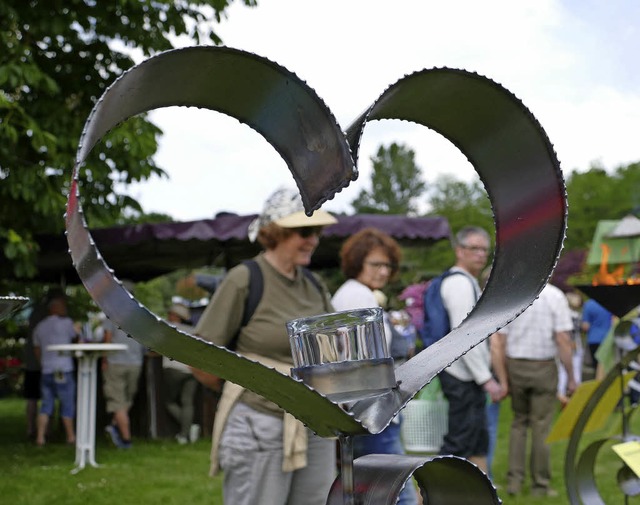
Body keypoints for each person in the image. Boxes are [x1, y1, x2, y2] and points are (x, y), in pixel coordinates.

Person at [194, 187, 338, 505]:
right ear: (275, 232)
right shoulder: (245, 279)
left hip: (315, 423)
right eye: (304, 231)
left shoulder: (314, 284)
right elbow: (201, 356)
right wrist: (251, 390)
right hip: (260, 424)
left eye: (316, 231)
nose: (313, 239)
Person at [331, 227, 418, 505]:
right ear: (357, 262)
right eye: (375, 264)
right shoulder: (358, 297)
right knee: (395, 490)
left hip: (366, 409)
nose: (383, 271)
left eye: (387, 265)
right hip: (371, 411)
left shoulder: (355, 293)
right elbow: (361, 359)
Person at [493, 282, 576, 497]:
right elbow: (563, 339)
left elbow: (499, 341)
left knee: (519, 423)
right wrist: (572, 377)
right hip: (544, 366)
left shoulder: (514, 293)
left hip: (516, 364)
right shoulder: (555, 296)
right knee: (541, 426)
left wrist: (503, 378)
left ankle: (514, 482)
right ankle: (540, 485)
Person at [436, 226, 503, 474]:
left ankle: (484, 494)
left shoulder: (466, 282)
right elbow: (464, 336)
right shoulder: (459, 284)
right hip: (461, 376)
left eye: (484, 249)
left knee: (476, 444)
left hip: (466, 376)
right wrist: (486, 379)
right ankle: (428, 496)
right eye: (474, 248)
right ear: (459, 251)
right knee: (457, 446)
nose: (481, 254)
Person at [102, 287, 146, 449]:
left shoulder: (111, 313)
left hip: (115, 362)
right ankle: (117, 429)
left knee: (119, 401)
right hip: (136, 362)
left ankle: (126, 440)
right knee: (126, 400)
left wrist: (104, 359)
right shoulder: (140, 315)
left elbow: (107, 338)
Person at [32, 297, 78, 446]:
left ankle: (40, 437)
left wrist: (43, 363)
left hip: (47, 369)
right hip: (62, 369)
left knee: (46, 405)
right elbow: (77, 338)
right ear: (55, 308)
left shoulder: (39, 326)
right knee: (67, 403)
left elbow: (37, 349)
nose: (65, 309)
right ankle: (71, 437)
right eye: (63, 306)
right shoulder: (67, 323)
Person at [162, 303, 200, 444]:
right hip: (191, 370)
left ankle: (187, 430)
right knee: (188, 402)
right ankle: (186, 433)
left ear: (175, 316)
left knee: (169, 402)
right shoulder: (193, 330)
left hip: (173, 368)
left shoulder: (166, 327)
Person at [581, 298, 614, 377]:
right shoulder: (610, 303)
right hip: (608, 339)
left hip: (593, 339)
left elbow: (585, 326)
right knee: (608, 367)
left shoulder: (588, 304)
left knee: (596, 368)